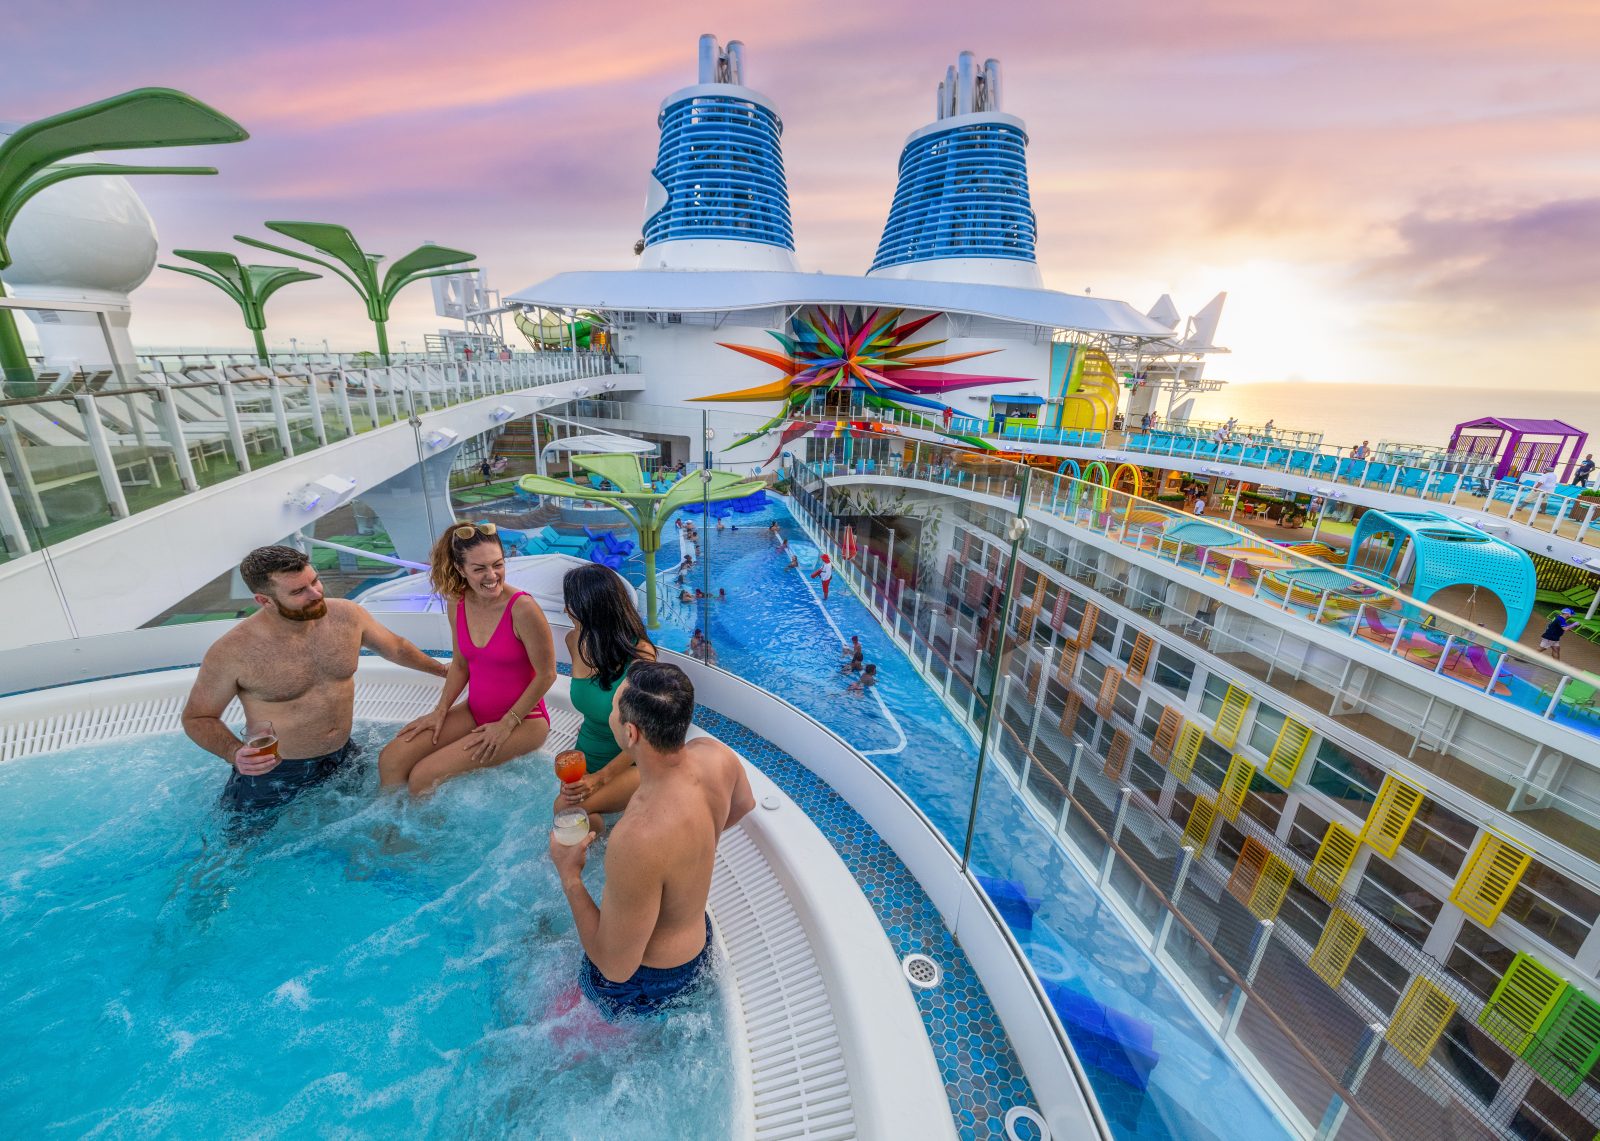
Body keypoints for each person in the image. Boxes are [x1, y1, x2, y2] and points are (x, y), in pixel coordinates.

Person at [549, 662, 754, 1020]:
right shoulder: (716, 756)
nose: (610, 715)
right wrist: (691, 850)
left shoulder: (638, 836)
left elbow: (615, 967)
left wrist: (570, 875)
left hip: (646, 984)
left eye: (613, 708)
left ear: (631, 733)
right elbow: (744, 805)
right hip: (696, 947)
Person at [182, 545, 448, 816]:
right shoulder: (234, 651)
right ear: (265, 601)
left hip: (343, 756)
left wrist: (443, 670)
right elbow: (198, 717)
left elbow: (397, 648)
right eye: (298, 591)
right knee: (241, 840)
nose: (316, 593)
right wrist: (234, 752)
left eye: (315, 581)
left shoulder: (347, 615)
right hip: (275, 769)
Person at [379, 523, 556, 795]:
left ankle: (420, 825)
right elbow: (461, 665)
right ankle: (389, 819)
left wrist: (506, 724)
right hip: (475, 711)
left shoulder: (523, 608)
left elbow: (547, 674)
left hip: (525, 720)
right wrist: (440, 711)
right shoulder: (457, 602)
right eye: (479, 569)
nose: (492, 576)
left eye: (498, 565)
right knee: (391, 758)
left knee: (423, 777)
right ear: (461, 569)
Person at [556, 563, 657, 828]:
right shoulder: (573, 640)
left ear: (593, 609)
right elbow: (593, 704)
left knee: (565, 813)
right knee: (577, 823)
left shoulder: (641, 655)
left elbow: (646, 734)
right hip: (585, 756)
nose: (566, 610)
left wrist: (600, 778)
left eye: (571, 604)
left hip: (631, 763)